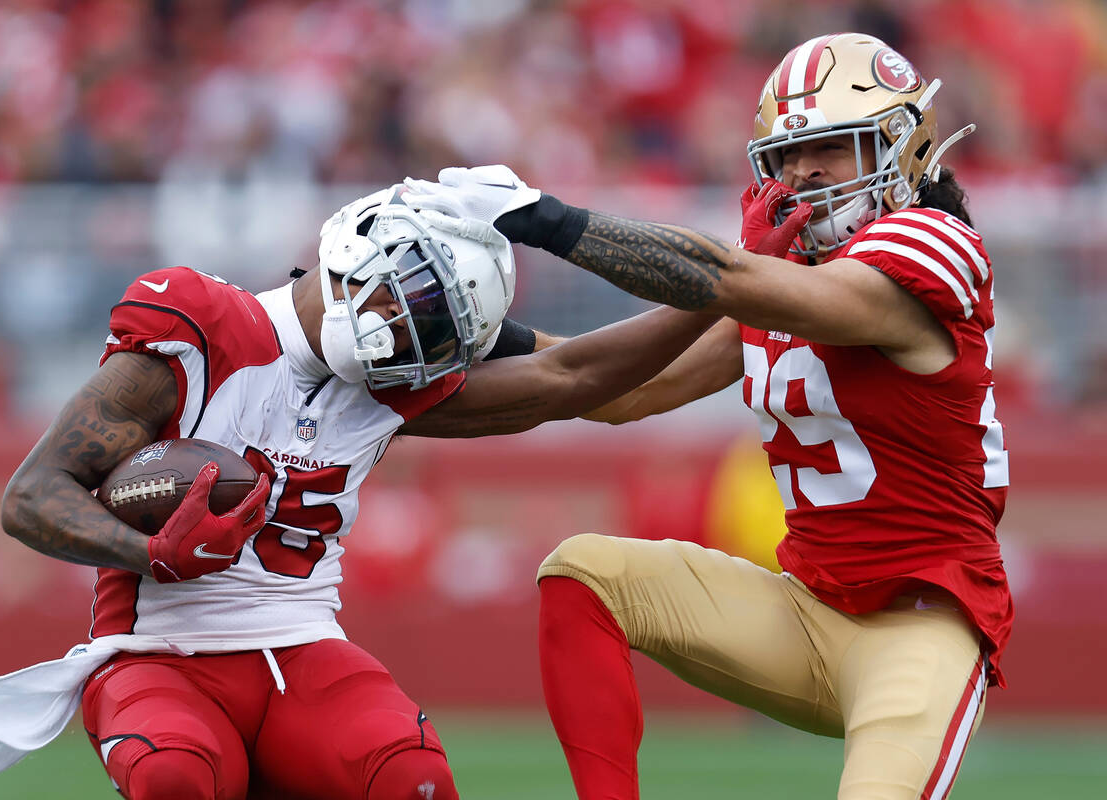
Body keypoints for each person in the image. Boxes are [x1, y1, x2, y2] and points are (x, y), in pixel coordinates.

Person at [0, 186, 718, 799]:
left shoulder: (393, 384)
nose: (408, 339)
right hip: (158, 650)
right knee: (177, 777)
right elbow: (31, 496)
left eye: (436, 333)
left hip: (302, 643)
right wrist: (151, 552)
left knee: (415, 778)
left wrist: (733, 291)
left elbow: (580, 378)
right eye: (410, 306)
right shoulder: (203, 332)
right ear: (356, 253)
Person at [403, 32, 1011, 800]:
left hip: (922, 632)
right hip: (804, 611)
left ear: (901, 147)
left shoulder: (934, 242)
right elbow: (619, 387)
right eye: (788, 155)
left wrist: (541, 218)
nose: (802, 173)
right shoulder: (781, 281)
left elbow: (723, 277)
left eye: (830, 147)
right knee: (584, 572)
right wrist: (476, 331)